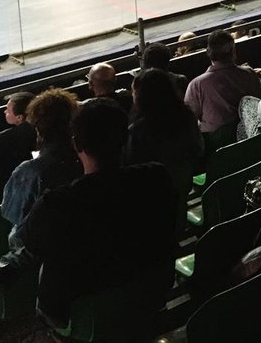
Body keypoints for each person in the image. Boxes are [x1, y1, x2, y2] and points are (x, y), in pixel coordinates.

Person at [21, 99, 176, 327]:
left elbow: (31, 244)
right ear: (125, 138)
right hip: (150, 291)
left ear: (76, 143)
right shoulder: (157, 176)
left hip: (82, 311)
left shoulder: (55, 204)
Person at [0, 89, 82, 290]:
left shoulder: (30, 171)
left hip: (37, 250)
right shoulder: (85, 156)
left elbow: (11, 213)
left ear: (37, 128)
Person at [126, 68, 204, 230]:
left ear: (141, 96)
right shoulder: (186, 116)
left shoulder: (137, 131)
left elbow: (132, 168)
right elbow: (197, 149)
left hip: (153, 196)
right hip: (182, 182)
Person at [184, 30, 261, 135]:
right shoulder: (249, 73)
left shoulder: (196, 85)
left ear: (208, 52)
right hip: (250, 138)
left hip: (216, 144)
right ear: (234, 52)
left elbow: (190, 119)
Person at [0, 91, 36, 200]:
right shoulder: (43, 130)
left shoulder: (4, 138)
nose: (5, 111)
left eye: (8, 110)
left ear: (20, 117)